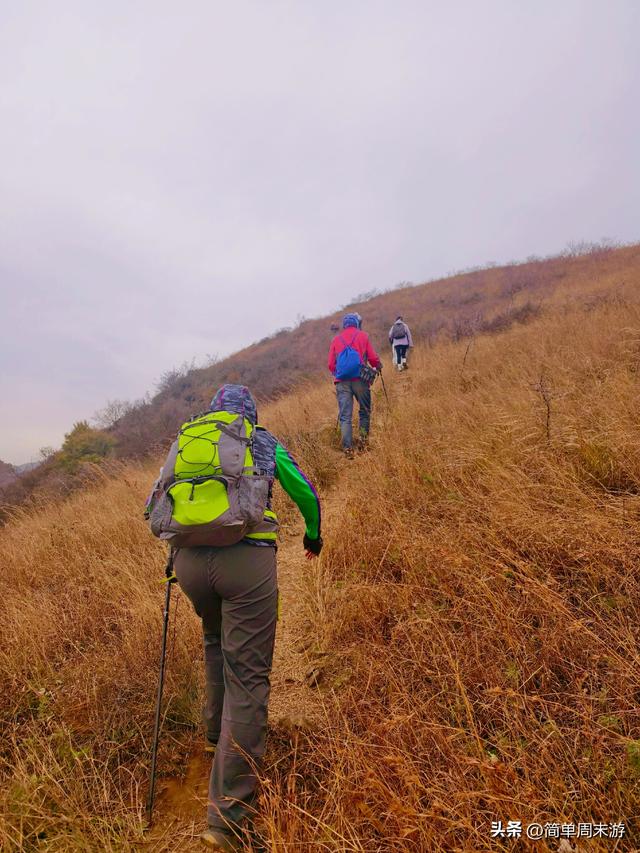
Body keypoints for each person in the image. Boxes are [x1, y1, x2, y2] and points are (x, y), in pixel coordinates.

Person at [147, 384, 322, 851]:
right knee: (248, 677)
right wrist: (314, 534)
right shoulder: (260, 439)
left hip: (187, 564)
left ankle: (212, 737)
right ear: (250, 415)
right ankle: (229, 821)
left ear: (213, 415)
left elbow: (158, 504)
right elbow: (302, 489)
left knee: (215, 640)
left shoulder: (188, 442)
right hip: (246, 561)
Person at [328, 313, 381, 457]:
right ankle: (363, 444)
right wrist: (378, 365)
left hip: (342, 382)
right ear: (356, 324)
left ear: (344, 325)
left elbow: (331, 364)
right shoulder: (363, 336)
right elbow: (372, 357)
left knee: (345, 416)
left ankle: (348, 449)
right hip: (360, 380)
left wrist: (338, 373)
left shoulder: (336, 340)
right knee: (364, 411)